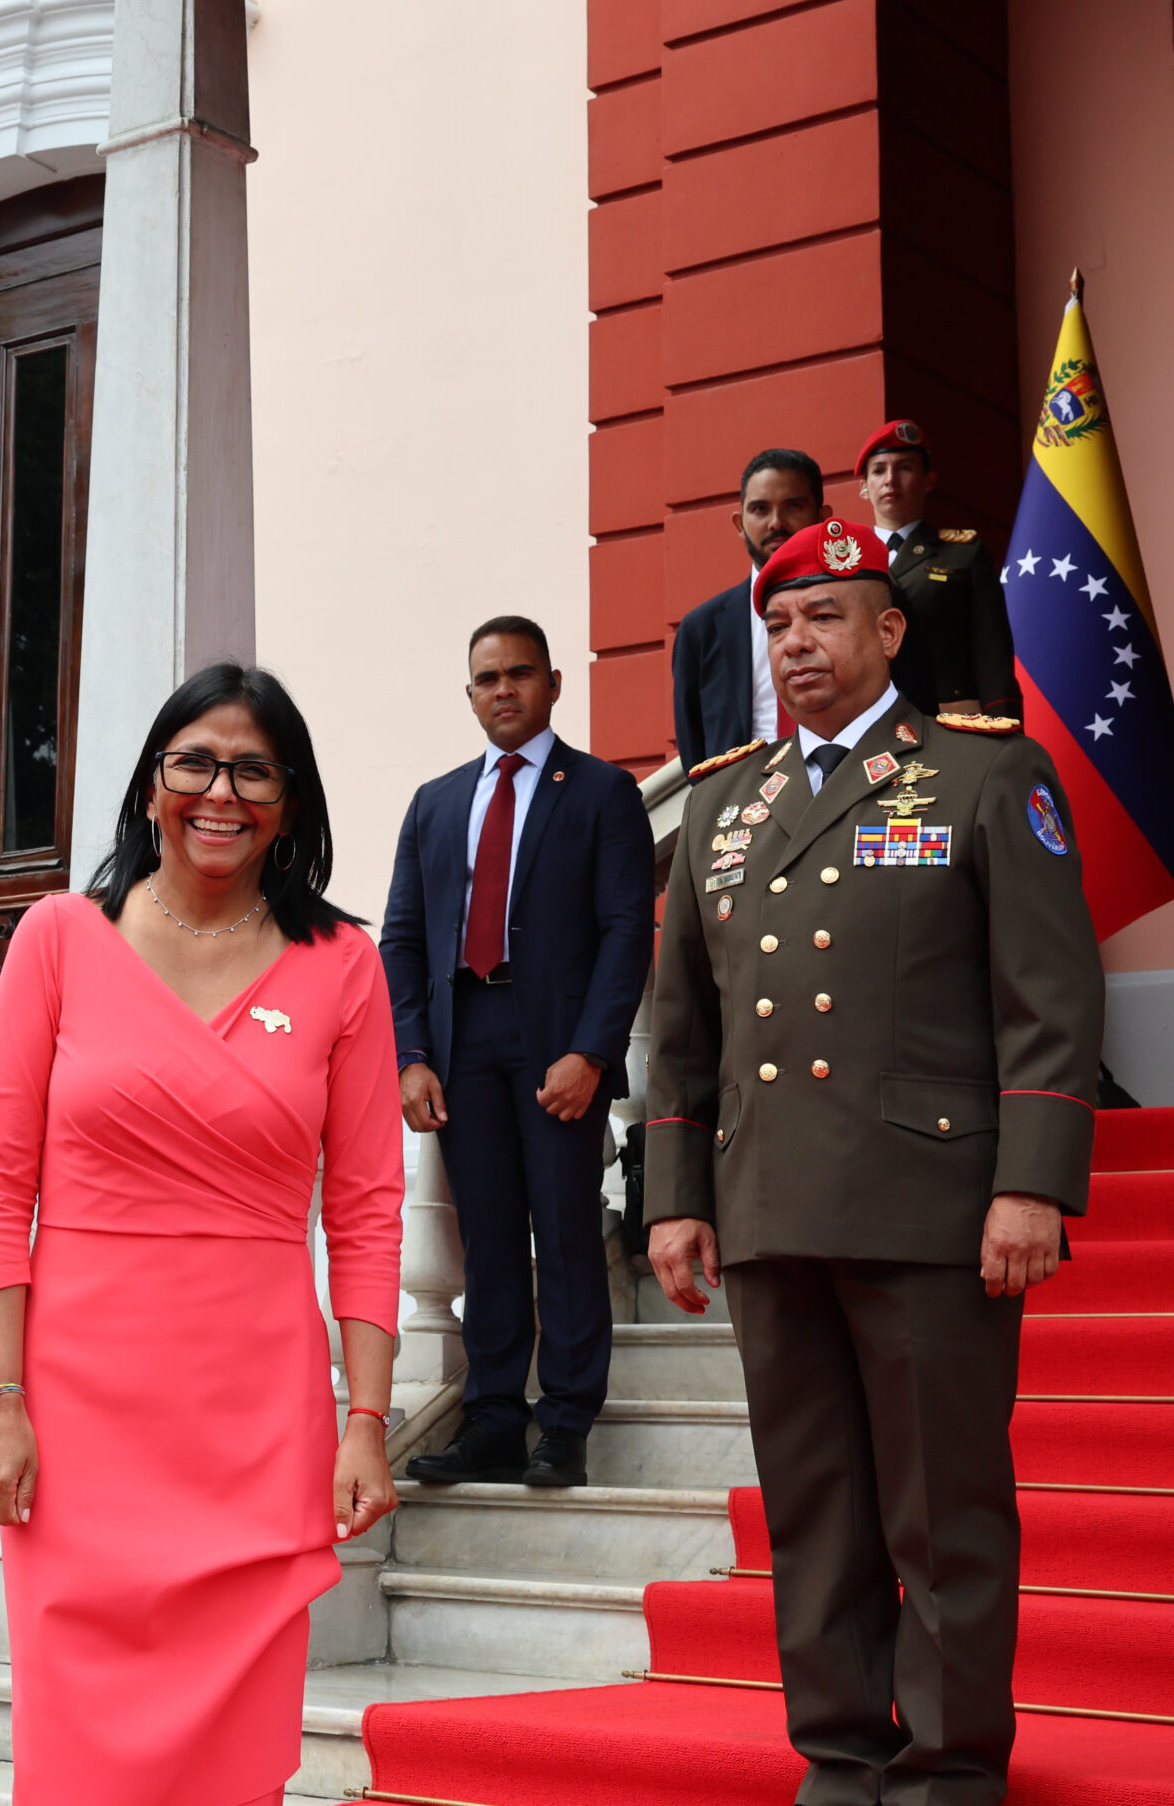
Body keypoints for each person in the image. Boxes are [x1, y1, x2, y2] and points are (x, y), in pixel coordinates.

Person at [646, 516, 1102, 1803]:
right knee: (814, 1509)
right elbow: (682, 1023)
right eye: (778, 623)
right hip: (768, 1202)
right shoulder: (723, 802)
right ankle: (842, 1757)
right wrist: (675, 1197)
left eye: (825, 616)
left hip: (927, 1202)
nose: (796, 643)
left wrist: (1031, 1182)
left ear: (889, 630)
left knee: (939, 1508)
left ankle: (949, 1768)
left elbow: (1049, 997)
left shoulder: (979, 774)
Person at [0, 662, 405, 1806]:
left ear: (290, 800)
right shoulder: (58, 938)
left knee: (232, 1750)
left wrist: (364, 1420)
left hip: (254, 1416)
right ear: (152, 782)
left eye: (253, 770)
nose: (221, 792)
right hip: (77, 1418)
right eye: (194, 762)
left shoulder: (343, 965)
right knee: (78, 1746)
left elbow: (365, 1207)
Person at [384, 617, 655, 1488]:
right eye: (487, 677)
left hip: (556, 1047)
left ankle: (565, 1422)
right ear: (469, 694)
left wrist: (593, 1052)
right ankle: (494, 1417)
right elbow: (402, 939)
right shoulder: (434, 803)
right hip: (461, 1042)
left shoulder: (602, 791)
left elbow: (626, 933)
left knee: (567, 1231)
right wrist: (410, 1054)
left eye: (520, 673)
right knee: (489, 1235)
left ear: (552, 684)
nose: (503, 689)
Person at [671, 447, 829, 772]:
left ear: (823, 517)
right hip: (740, 798)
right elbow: (693, 748)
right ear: (739, 523)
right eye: (760, 509)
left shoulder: (862, 607)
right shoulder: (701, 629)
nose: (776, 522)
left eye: (793, 506)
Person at [857, 417, 1020, 720]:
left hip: (949, 719)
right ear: (864, 486)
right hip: (869, 719)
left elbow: (992, 654)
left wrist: (1003, 724)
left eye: (905, 468)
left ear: (928, 480)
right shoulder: (852, 559)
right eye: (878, 471)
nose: (890, 479)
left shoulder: (963, 553)